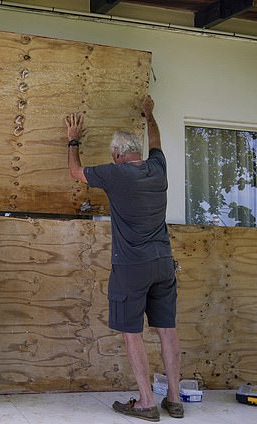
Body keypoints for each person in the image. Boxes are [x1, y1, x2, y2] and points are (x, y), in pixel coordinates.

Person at [65, 95, 183, 422]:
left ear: (117, 155)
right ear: (138, 152)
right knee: (166, 330)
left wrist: (72, 140)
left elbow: (76, 172)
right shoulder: (157, 167)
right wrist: (150, 115)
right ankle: (174, 398)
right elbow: (156, 141)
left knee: (132, 332)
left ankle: (146, 402)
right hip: (163, 261)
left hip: (131, 267)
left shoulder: (116, 174)